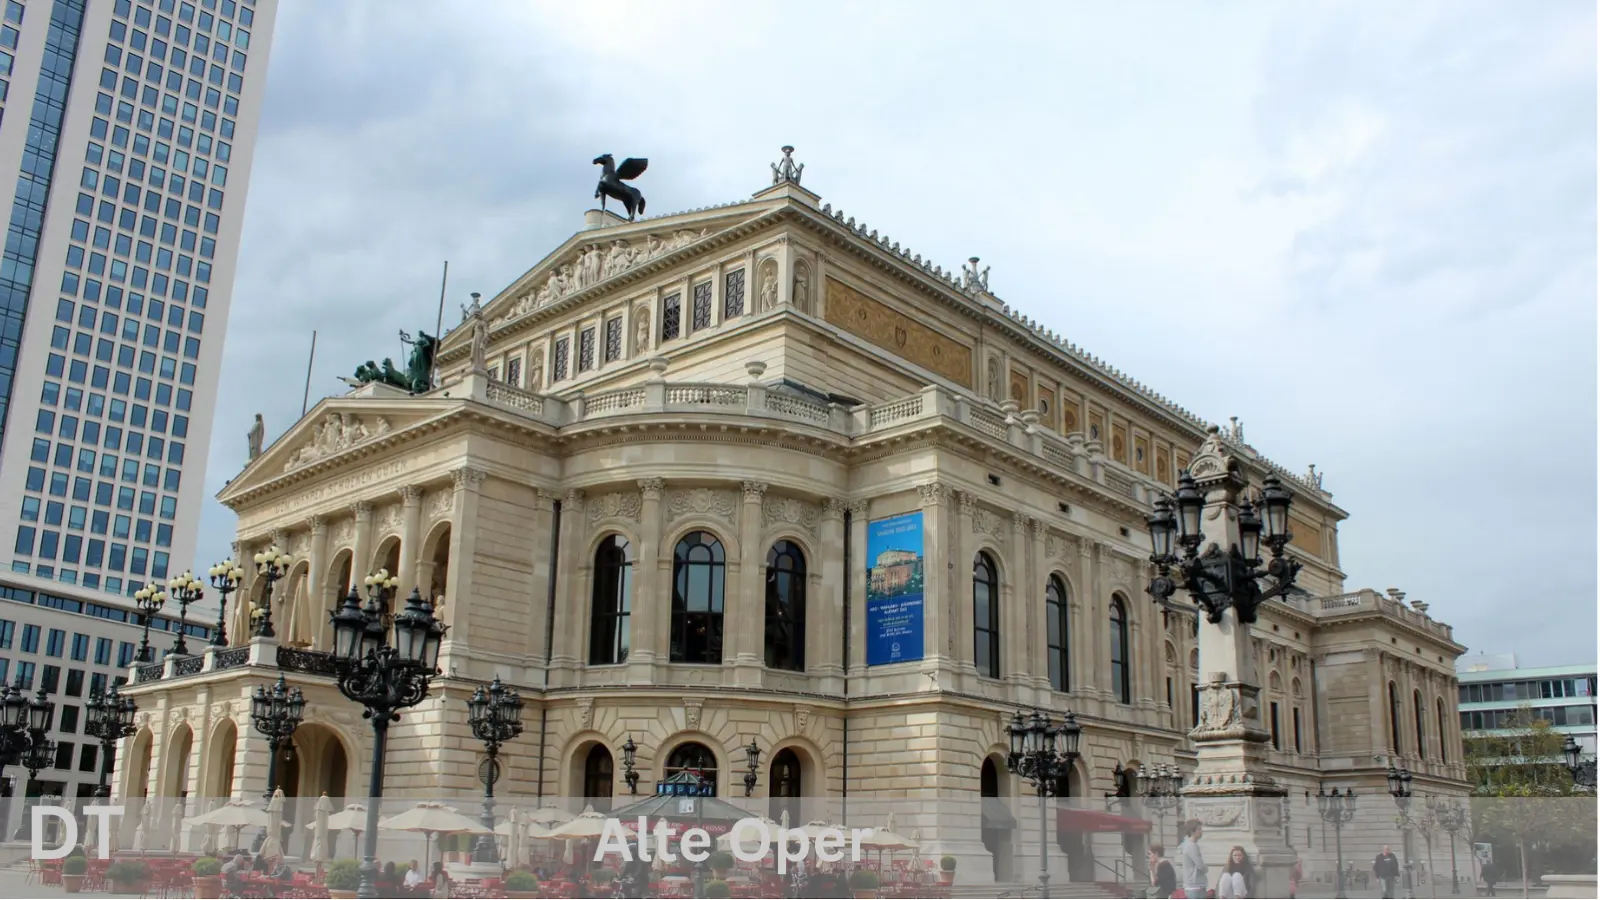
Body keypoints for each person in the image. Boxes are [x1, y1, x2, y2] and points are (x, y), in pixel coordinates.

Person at [1178, 819, 1208, 899]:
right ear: (1192, 831)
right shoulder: (1192, 846)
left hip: (1191, 885)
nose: (1201, 831)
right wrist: (1206, 868)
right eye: (1199, 829)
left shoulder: (1186, 844)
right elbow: (1200, 866)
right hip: (1195, 886)